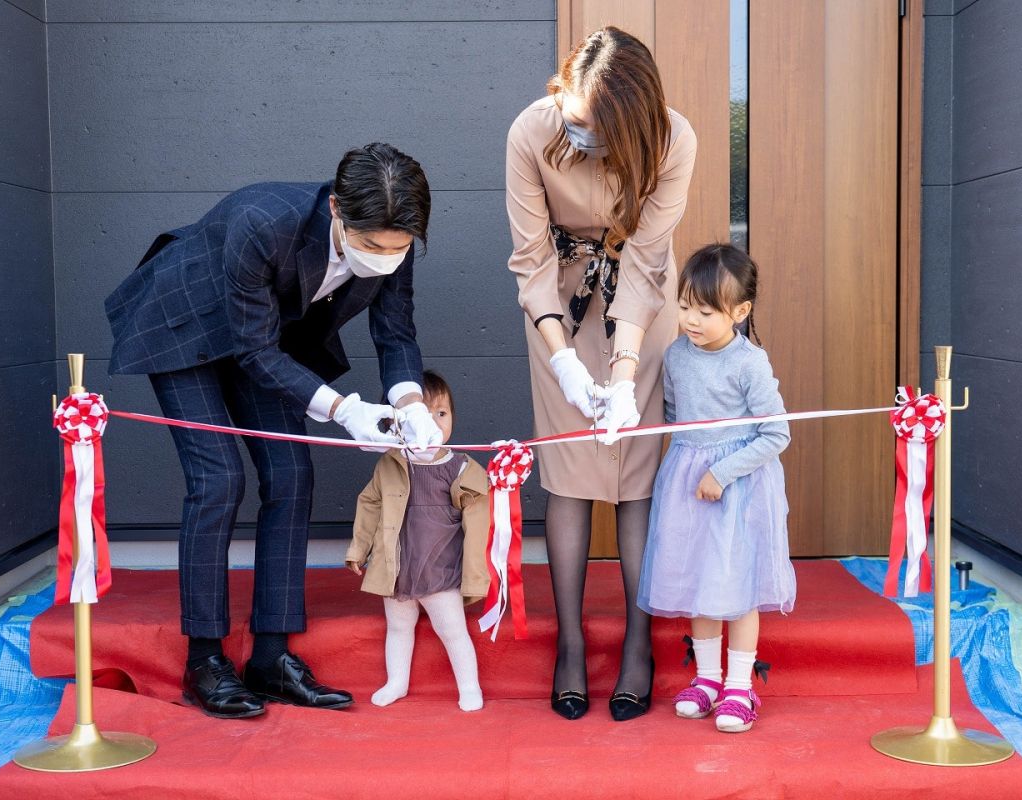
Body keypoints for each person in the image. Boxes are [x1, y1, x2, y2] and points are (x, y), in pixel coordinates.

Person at [104, 143, 444, 719]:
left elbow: (396, 336)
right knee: (218, 479)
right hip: (185, 323)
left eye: (398, 248)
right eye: (370, 246)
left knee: (290, 473)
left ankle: (271, 657)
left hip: (264, 337)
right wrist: (344, 409)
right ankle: (205, 660)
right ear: (336, 208)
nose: (384, 258)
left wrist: (409, 402)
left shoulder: (394, 242)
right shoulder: (261, 221)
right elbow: (255, 350)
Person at [505, 26, 697, 721]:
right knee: (568, 473)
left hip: (641, 313)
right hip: (558, 304)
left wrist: (620, 376)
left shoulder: (674, 140)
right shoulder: (532, 130)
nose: (577, 132)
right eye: (573, 116)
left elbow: (647, 264)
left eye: (593, 127)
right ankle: (570, 643)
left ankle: (639, 643)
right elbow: (529, 260)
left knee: (637, 475)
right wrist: (563, 359)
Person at [638, 243, 795, 733]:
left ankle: (739, 685)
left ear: (740, 312)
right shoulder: (675, 356)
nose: (691, 319)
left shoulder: (749, 363)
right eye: (685, 306)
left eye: (705, 311)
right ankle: (706, 679)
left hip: (738, 490)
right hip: (687, 483)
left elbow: (777, 433)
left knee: (737, 587)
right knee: (698, 584)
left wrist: (721, 473)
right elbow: (670, 415)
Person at [346, 370, 489, 712]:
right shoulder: (390, 464)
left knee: (452, 629)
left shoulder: (460, 467)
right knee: (398, 626)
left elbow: (479, 519)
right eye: (423, 414)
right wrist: (359, 548)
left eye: (442, 413)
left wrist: (476, 575)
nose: (435, 422)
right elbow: (370, 504)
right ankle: (397, 681)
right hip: (396, 566)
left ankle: (469, 686)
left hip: (438, 568)